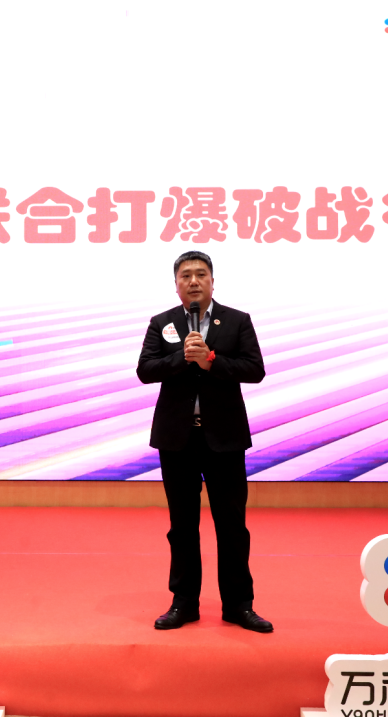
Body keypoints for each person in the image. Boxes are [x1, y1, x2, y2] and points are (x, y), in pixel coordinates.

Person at [136, 250, 272, 633]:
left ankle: (238, 605)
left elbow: (255, 369)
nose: (193, 281)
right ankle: (184, 603)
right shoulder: (162, 323)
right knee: (182, 526)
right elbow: (145, 370)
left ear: (213, 281)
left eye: (200, 274)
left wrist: (212, 361)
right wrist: (183, 358)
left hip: (224, 438)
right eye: (186, 275)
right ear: (176, 284)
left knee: (232, 526)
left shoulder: (237, 320)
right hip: (177, 440)